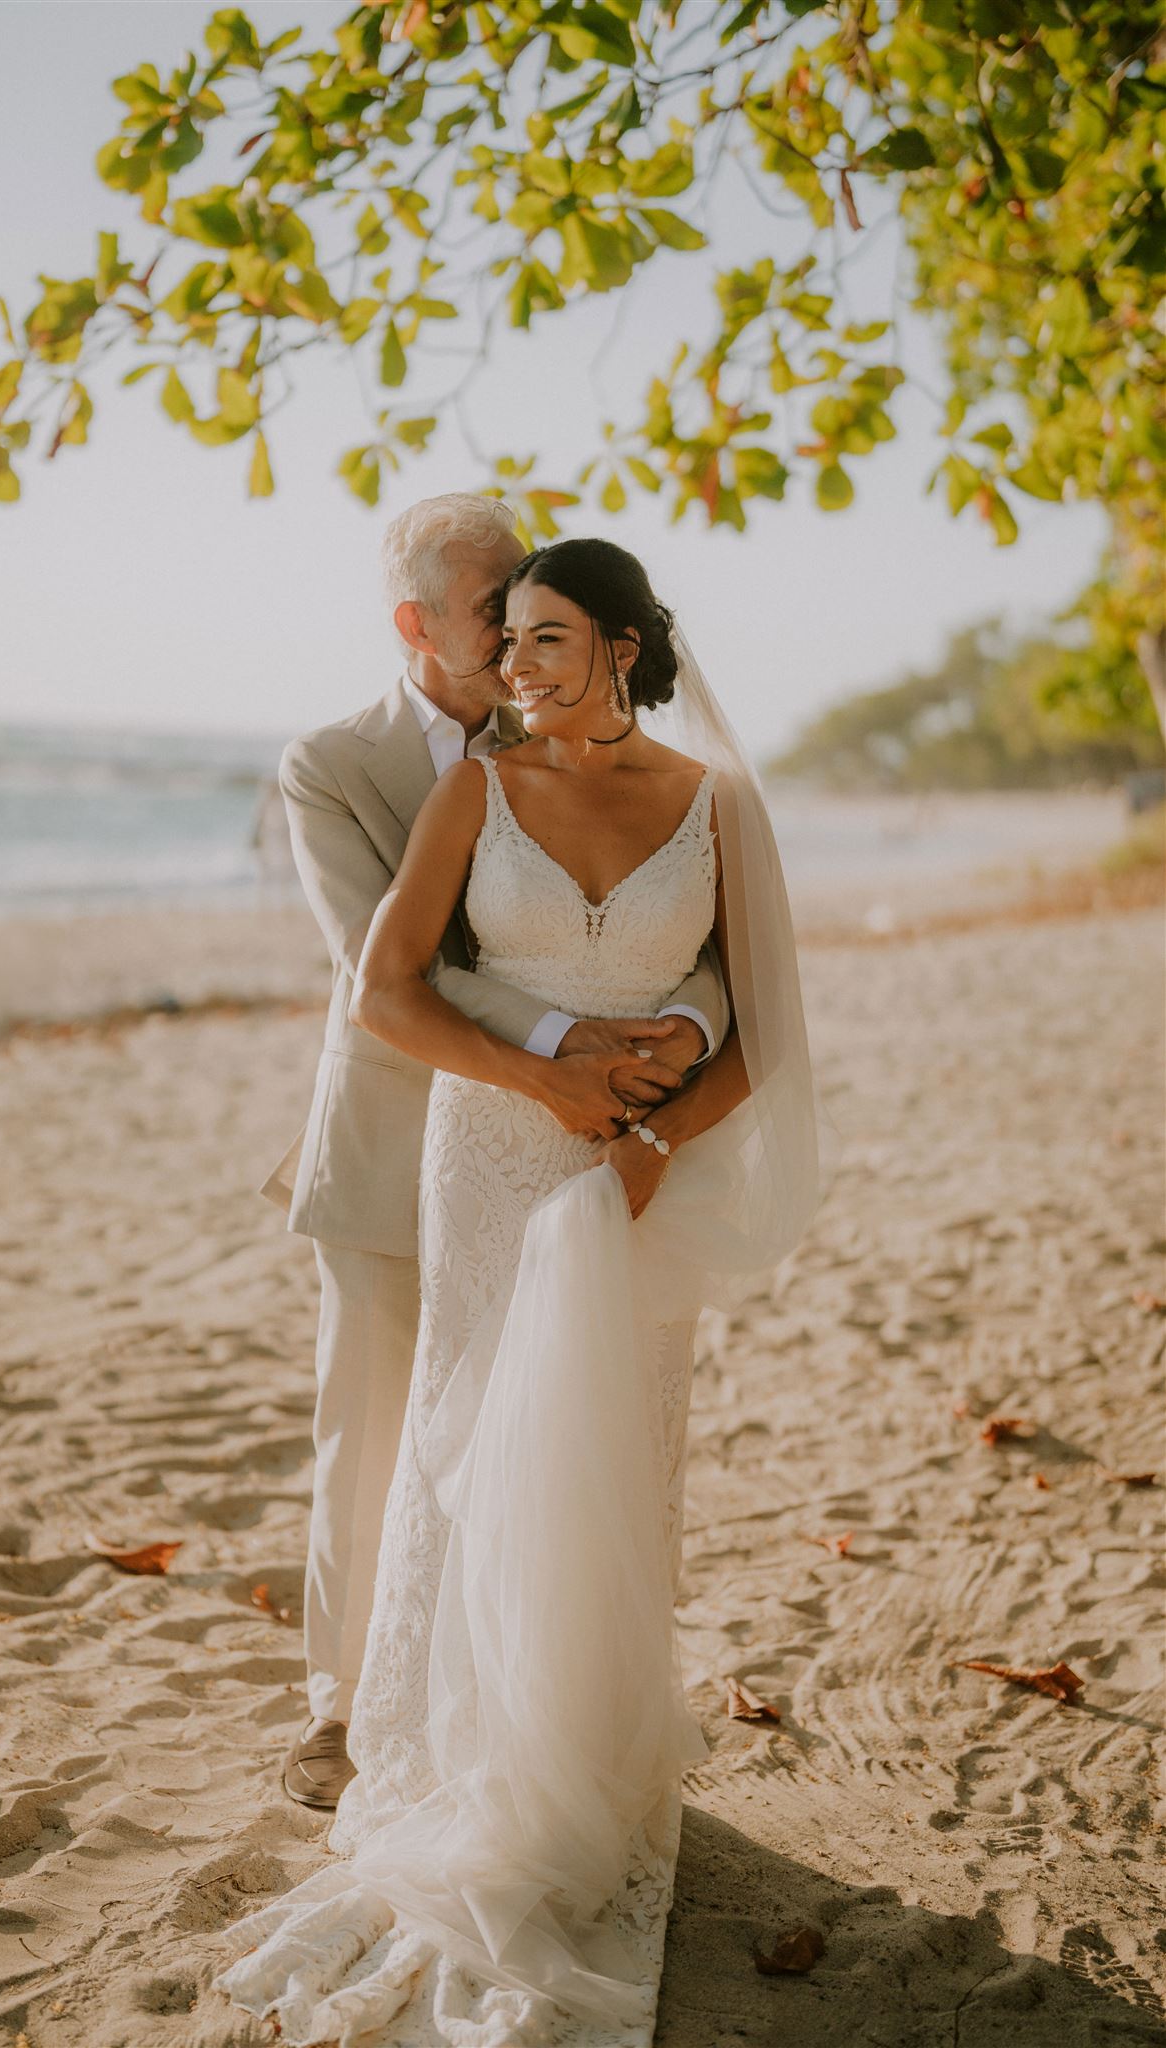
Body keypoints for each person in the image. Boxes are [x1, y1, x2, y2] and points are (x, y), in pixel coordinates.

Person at [217, 536, 829, 2045]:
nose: (518, 667)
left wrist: (652, 1139)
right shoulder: (474, 790)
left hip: (638, 1174)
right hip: (487, 1148)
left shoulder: (718, 807)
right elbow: (385, 987)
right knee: (466, 1448)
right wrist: (542, 1084)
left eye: (546, 638)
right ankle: (448, 1756)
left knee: (614, 1456)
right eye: (507, 644)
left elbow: (762, 1025)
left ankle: (590, 1770)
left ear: (622, 645)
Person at [263, 497, 731, 1810]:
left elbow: (690, 930)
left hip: (580, 1149)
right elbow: (383, 965)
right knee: (380, 1432)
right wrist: (560, 1039)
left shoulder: (585, 734)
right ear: (415, 624)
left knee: (551, 1429)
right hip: (399, 1133)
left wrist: (650, 1051)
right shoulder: (333, 763)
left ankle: (516, 1717)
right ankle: (341, 1714)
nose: (514, 624)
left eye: (529, 598)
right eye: (489, 605)